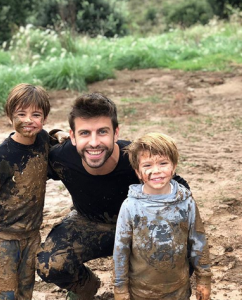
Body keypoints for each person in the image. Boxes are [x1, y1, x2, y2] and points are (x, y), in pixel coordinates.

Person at [37, 93, 191, 300]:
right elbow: (25, 166)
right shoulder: (61, 158)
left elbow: (180, 188)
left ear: (115, 133)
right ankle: (85, 288)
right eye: (84, 133)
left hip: (138, 227)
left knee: (176, 245)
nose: (94, 143)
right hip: (87, 222)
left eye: (102, 132)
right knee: (49, 263)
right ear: (72, 136)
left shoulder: (136, 159)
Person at [0, 83, 52, 300]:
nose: (28, 120)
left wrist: (59, 134)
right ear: (9, 116)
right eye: (21, 113)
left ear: (44, 118)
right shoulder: (1, 156)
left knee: (26, 291)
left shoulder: (43, 141)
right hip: (4, 238)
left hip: (32, 235)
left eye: (36, 114)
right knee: (7, 295)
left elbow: (52, 138)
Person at [113, 132, 212, 300]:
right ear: (138, 172)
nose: (156, 171)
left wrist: (204, 279)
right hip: (140, 292)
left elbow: (198, 241)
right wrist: (120, 287)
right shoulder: (130, 206)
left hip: (178, 290)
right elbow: (120, 249)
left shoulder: (186, 202)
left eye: (163, 163)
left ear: (173, 166)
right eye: (147, 165)